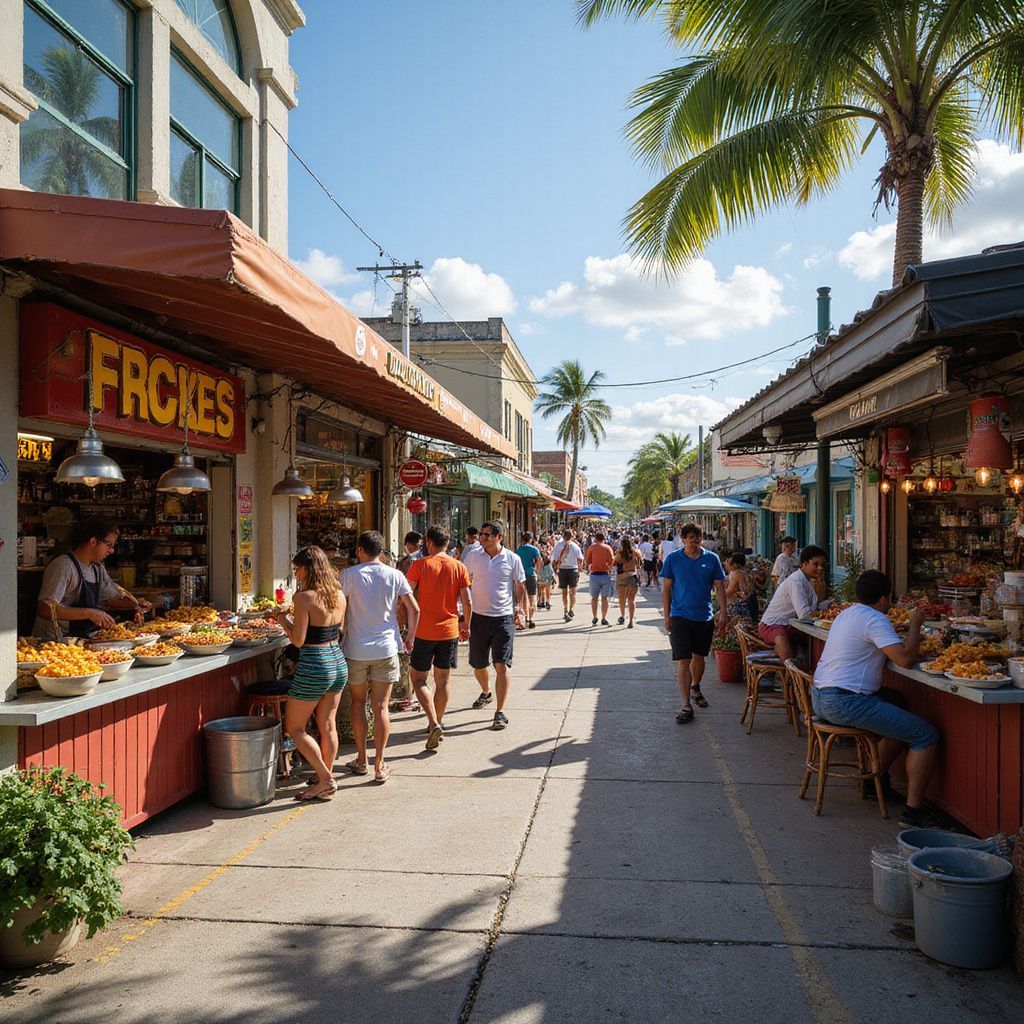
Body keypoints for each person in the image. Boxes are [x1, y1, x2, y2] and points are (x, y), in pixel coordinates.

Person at [811, 570, 939, 828]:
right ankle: (913, 812)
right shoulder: (875, 619)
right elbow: (904, 659)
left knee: (897, 701)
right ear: (884, 598)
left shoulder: (847, 613)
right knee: (926, 736)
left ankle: (874, 777)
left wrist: (897, 630)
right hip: (845, 702)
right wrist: (914, 625)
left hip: (821, 696)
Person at [340, 530, 420, 783]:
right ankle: (380, 763)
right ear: (382, 551)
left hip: (355, 650)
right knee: (382, 706)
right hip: (386, 648)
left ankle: (361, 758)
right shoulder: (395, 575)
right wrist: (410, 637)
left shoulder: (348, 575)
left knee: (357, 703)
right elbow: (413, 608)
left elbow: (339, 610)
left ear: (360, 550)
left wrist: (340, 633)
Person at [272, 547, 347, 802]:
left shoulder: (303, 598)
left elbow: (299, 640)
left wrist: (282, 619)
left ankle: (325, 779)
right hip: (337, 659)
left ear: (308, 569)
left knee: (294, 728)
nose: (296, 572)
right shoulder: (338, 593)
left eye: (297, 568)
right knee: (328, 725)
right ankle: (322, 776)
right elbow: (339, 629)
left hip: (315, 663)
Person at [406, 527, 473, 751]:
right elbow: (467, 601)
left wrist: (404, 625)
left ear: (428, 542)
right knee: (443, 680)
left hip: (424, 630)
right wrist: (466, 625)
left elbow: (405, 596)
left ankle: (433, 721)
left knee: (418, 679)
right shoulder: (458, 566)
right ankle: (438, 721)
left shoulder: (420, 565)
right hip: (449, 630)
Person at [33, 516, 152, 639]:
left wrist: (135, 605)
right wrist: (89, 613)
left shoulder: (97, 568)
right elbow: (44, 609)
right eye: (109, 545)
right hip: (54, 642)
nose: (111, 551)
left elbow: (108, 599)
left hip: (80, 638)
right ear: (93, 541)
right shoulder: (63, 566)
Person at [462, 521, 527, 730]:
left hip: (503, 618)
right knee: (479, 664)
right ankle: (486, 692)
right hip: (478, 618)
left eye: (487, 535)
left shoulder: (512, 559)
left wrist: (521, 610)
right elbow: (463, 581)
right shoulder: (473, 556)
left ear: (499, 537)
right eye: (481, 534)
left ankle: (499, 712)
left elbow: (520, 586)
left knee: (501, 665)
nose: (482, 538)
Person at [660, 523, 728, 724]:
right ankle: (685, 704)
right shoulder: (673, 559)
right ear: (683, 539)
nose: (695, 541)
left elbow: (720, 586)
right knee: (683, 659)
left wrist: (723, 611)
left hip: (704, 616)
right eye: (691, 537)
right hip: (680, 615)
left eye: (698, 537)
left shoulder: (711, 559)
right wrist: (667, 616)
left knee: (700, 657)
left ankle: (695, 686)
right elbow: (666, 589)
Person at [758, 545, 830, 663]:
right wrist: (820, 597)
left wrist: (824, 602)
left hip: (792, 625)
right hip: (773, 624)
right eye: (816, 564)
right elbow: (805, 615)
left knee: (816, 642)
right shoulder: (796, 582)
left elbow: (813, 610)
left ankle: (810, 670)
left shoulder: (808, 580)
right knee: (784, 645)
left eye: (823, 565)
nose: (820, 568)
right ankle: (790, 675)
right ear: (804, 564)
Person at [551, 528, 584, 622]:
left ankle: (565, 609)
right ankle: (571, 609)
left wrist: (553, 567)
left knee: (564, 592)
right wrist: (580, 568)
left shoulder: (559, 546)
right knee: (573, 591)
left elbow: (552, 557)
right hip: (573, 569)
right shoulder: (575, 546)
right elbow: (580, 559)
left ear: (563, 536)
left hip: (563, 569)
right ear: (572, 537)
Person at [584, 531, 616, 626]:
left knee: (594, 598)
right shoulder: (607, 548)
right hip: (605, 575)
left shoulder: (592, 548)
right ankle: (604, 618)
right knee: (604, 598)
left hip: (594, 575)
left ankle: (595, 616)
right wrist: (608, 569)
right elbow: (612, 561)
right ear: (604, 538)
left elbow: (587, 560)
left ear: (595, 538)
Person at [515, 531, 542, 628]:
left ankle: (524, 618)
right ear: (530, 539)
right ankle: (531, 618)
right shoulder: (534, 549)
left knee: (522, 597)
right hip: (531, 574)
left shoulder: (518, 550)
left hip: (521, 575)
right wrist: (537, 571)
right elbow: (539, 560)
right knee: (532, 596)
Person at [614, 535, 641, 628]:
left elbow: (614, 563)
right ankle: (631, 621)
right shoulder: (635, 552)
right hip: (632, 577)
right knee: (631, 600)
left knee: (622, 599)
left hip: (621, 577)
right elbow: (640, 562)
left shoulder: (619, 553)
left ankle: (622, 616)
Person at [724, 551, 755, 625]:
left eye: (728, 561)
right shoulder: (744, 572)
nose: (727, 563)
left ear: (734, 564)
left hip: (738, 607)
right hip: (746, 606)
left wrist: (719, 589)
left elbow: (728, 593)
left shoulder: (737, 573)